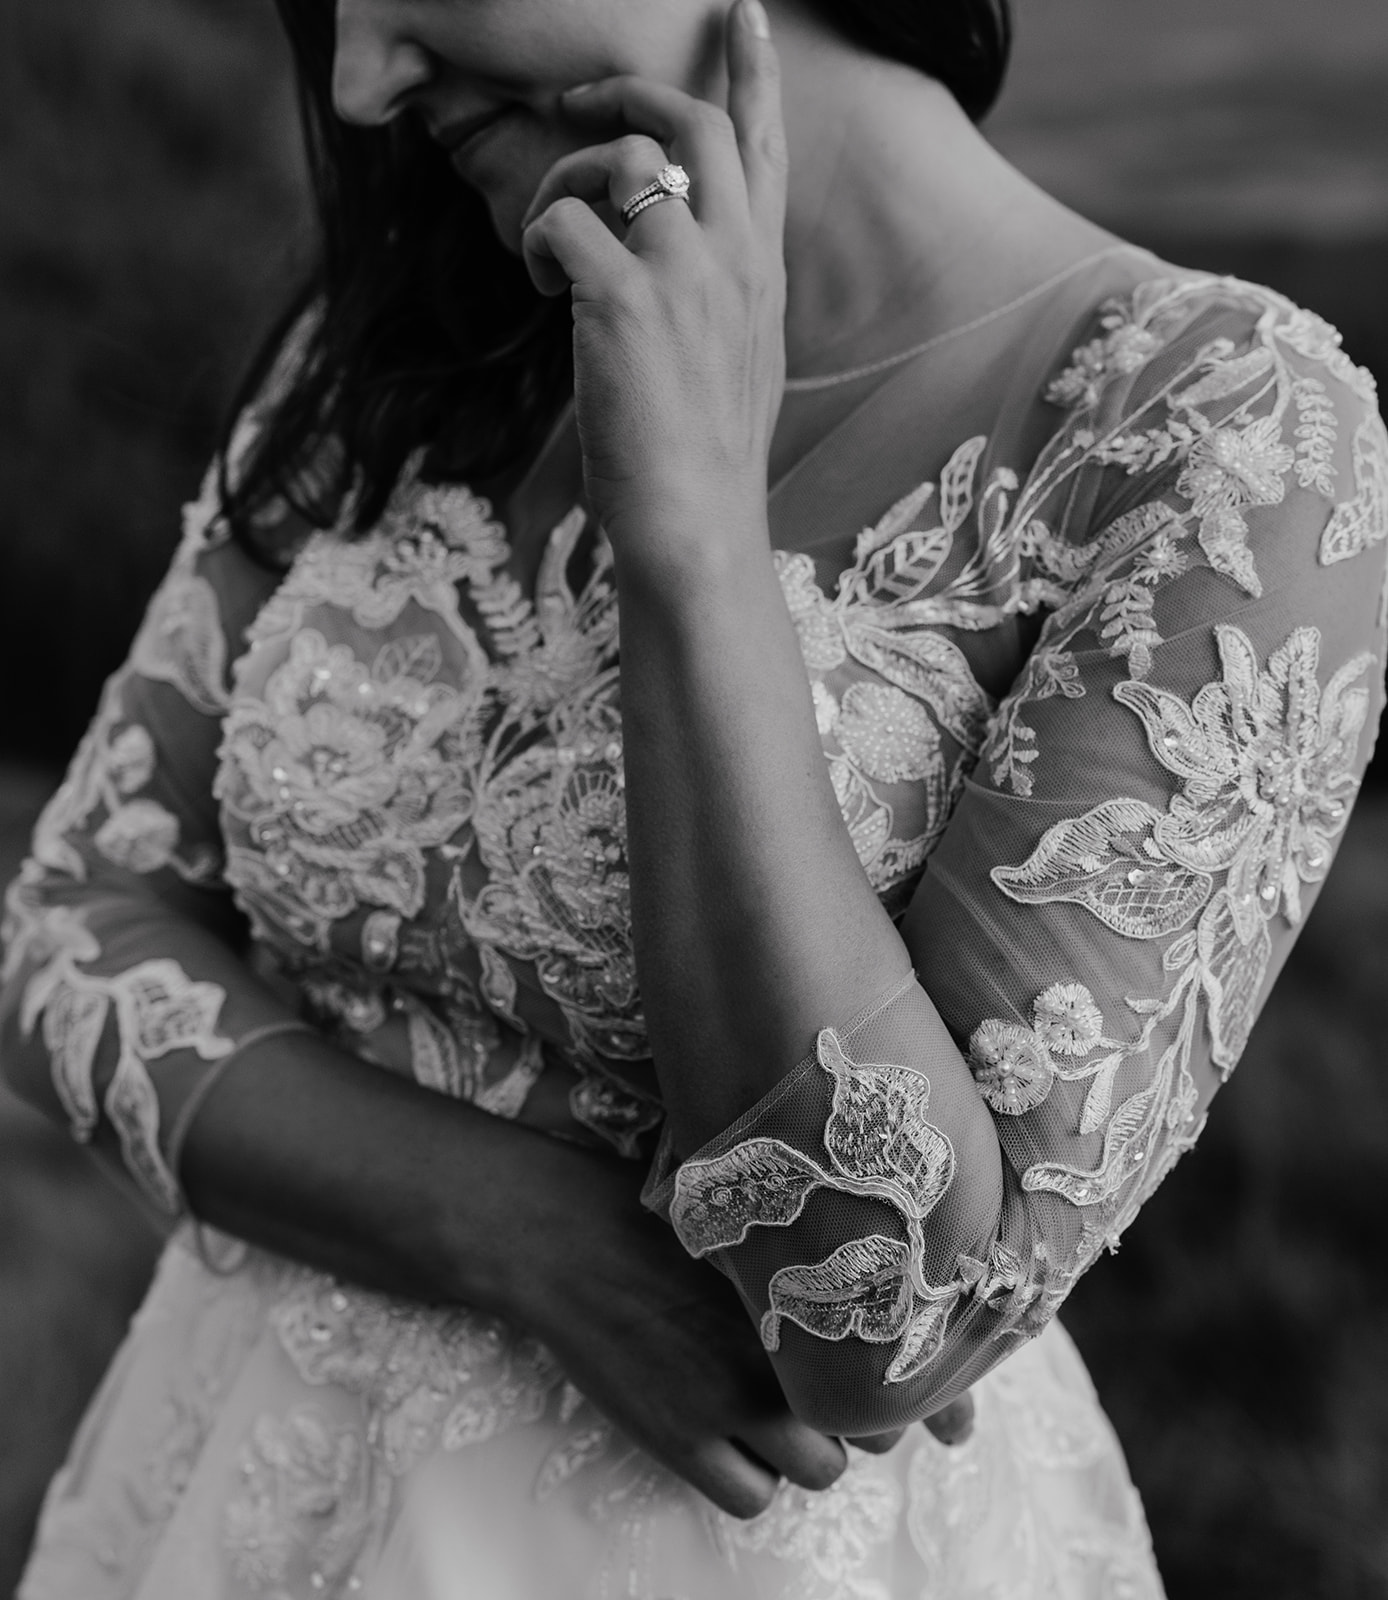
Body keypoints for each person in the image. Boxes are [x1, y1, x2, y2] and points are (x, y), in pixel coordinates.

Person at [4, 0, 1385, 1592]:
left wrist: (696, 549)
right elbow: (67, 927)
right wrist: (509, 1232)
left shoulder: (1223, 434)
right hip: (225, 1495)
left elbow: (888, 1312)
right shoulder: (411, 337)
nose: (360, 80)